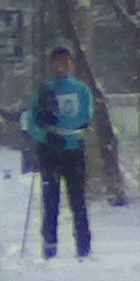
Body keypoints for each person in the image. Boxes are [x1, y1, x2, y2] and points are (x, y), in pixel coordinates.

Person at [24, 45, 101, 261]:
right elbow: (31, 121)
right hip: (50, 151)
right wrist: (46, 136)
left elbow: (86, 116)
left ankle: (83, 248)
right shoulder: (44, 90)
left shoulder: (82, 90)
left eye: (66, 62)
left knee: (78, 200)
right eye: (57, 62)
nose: (61, 66)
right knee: (50, 200)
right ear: (51, 65)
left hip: (73, 150)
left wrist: (73, 132)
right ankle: (49, 248)